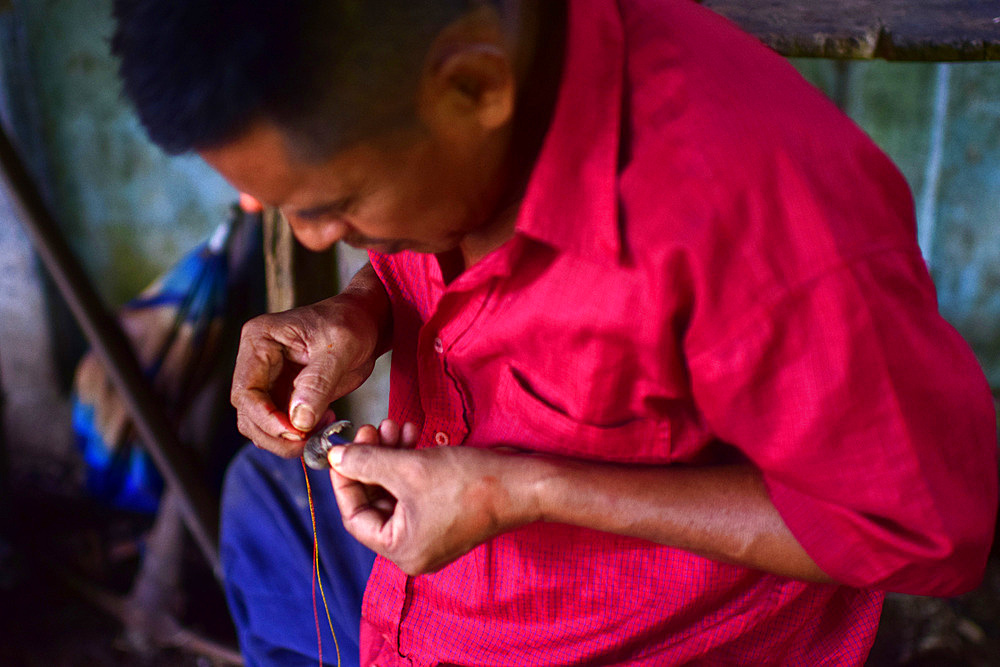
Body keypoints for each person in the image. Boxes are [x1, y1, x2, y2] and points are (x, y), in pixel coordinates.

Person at [111, 1, 998, 664]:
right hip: (423, 604)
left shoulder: (762, 225)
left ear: (474, 87)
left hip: (611, 639)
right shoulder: (461, 107)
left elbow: (922, 530)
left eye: (333, 207)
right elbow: (446, 244)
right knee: (263, 503)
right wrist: (363, 309)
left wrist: (526, 490)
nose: (307, 238)